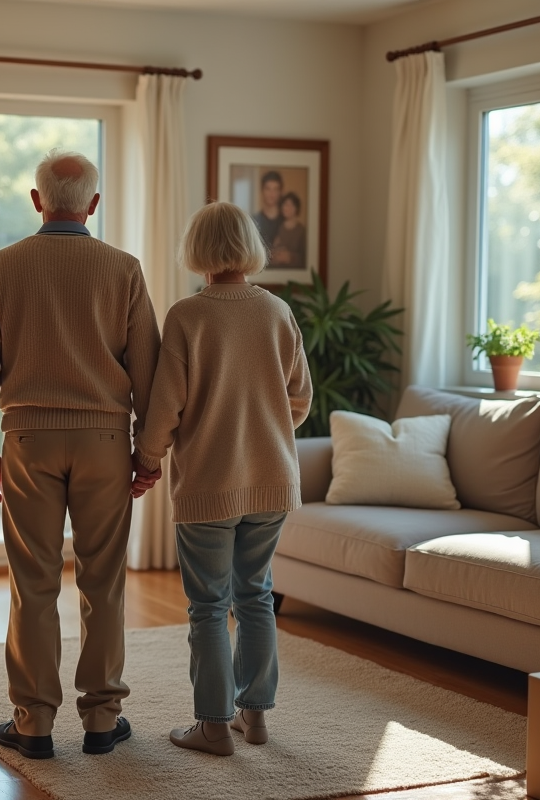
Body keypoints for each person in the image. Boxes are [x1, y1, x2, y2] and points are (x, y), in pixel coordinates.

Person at [0, 149, 162, 760]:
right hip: (106, 442)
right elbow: (149, 371)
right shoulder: (124, 269)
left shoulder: (1, 266)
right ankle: (101, 720)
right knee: (104, 582)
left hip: (28, 441)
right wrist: (147, 454)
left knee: (34, 583)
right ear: (93, 205)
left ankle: (34, 724)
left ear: (37, 200)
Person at [133, 202, 312, 756]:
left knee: (209, 606)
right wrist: (264, 432)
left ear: (197, 249)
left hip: (208, 485)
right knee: (256, 596)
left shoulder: (188, 316)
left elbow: (166, 405)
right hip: (272, 480)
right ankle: (254, 718)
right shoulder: (278, 311)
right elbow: (300, 399)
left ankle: (212, 726)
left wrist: (148, 459)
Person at [250, 171, 284, 258]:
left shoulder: (287, 222)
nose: (271, 194)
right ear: (262, 191)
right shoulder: (253, 222)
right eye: (268, 189)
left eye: (275, 189)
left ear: (280, 192)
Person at [269, 192, 306, 270]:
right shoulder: (277, 227)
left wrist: (290, 258)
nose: (286, 208)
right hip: (277, 271)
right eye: (285, 204)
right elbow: (271, 251)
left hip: (295, 273)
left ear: (296, 208)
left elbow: (306, 258)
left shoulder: (302, 231)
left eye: (290, 205)